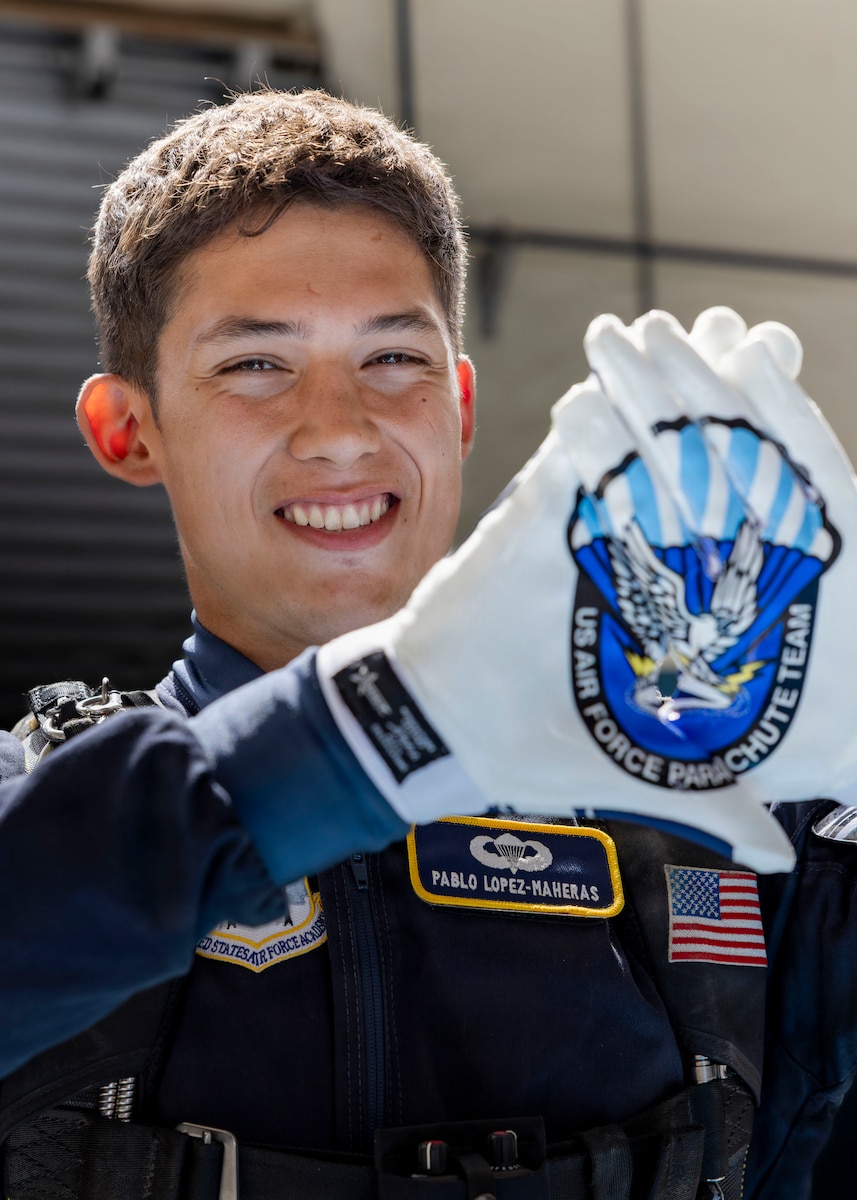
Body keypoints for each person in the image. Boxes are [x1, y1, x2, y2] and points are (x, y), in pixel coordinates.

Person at [0, 87, 854, 1200]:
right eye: (255, 364)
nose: (342, 426)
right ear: (130, 428)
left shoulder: (716, 828)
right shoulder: (37, 811)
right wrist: (376, 727)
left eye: (392, 358)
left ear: (457, 404)